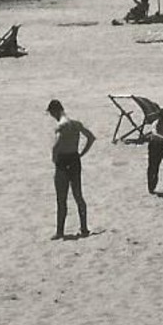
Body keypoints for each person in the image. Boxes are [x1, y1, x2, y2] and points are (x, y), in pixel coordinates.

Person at [48, 99, 95, 240]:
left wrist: (54, 158)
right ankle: (84, 227)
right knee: (78, 195)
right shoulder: (76, 124)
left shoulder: (61, 126)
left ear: (55, 111)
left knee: (61, 198)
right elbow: (91, 137)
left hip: (63, 161)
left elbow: (56, 146)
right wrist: (82, 153)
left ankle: (60, 231)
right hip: (75, 159)